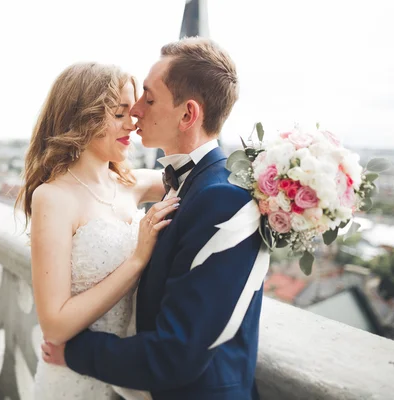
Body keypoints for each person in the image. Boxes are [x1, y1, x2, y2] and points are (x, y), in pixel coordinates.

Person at [42, 37, 270, 400]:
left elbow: (176, 352)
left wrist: (76, 354)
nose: (135, 111)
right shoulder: (184, 182)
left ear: (187, 114)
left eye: (148, 98)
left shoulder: (223, 198)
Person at [16, 62, 179, 399]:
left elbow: (200, 180)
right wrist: (137, 260)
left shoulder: (132, 184)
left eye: (133, 113)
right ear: (83, 118)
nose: (133, 124)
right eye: (120, 114)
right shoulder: (53, 197)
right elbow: (55, 325)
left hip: (128, 374)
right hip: (73, 379)